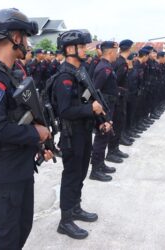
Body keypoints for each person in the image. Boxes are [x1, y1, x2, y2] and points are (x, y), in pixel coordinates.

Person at [0, 8, 53, 249]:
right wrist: (36, 134)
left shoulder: (12, 75)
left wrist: (39, 145)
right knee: (4, 237)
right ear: (15, 38)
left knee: (20, 230)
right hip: (4, 174)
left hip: (19, 169)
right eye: (26, 38)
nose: (27, 44)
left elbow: (19, 118)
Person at [53, 30, 111, 239]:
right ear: (70, 49)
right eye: (82, 46)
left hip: (84, 132)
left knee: (80, 173)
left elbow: (88, 98)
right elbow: (65, 110)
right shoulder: (65, 77)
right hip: (71, 135)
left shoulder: (81, 72)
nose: (86, 49)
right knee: (71, 176)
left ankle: (75, 207)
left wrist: (101, 120)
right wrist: (91, 110)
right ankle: (65, 220)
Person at [90, 41, 120, 182]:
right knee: (101, 137)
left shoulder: (107, 66)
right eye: (116, 51)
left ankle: (100, 164)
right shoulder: (104, 68)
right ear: (110, 52)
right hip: (104, 107)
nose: (117, 54)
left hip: (109, 105)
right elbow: (95, 91)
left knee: (105, 136)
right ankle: (95, 169)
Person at [107, 39, 133, 160]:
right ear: (129, 49)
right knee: (117, 124)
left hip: (118, 97)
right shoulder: (121, 63)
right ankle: (112, 151)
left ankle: (115, 148)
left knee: (118, 123)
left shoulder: (119, 61)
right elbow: (115, 82)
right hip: (118, 98)